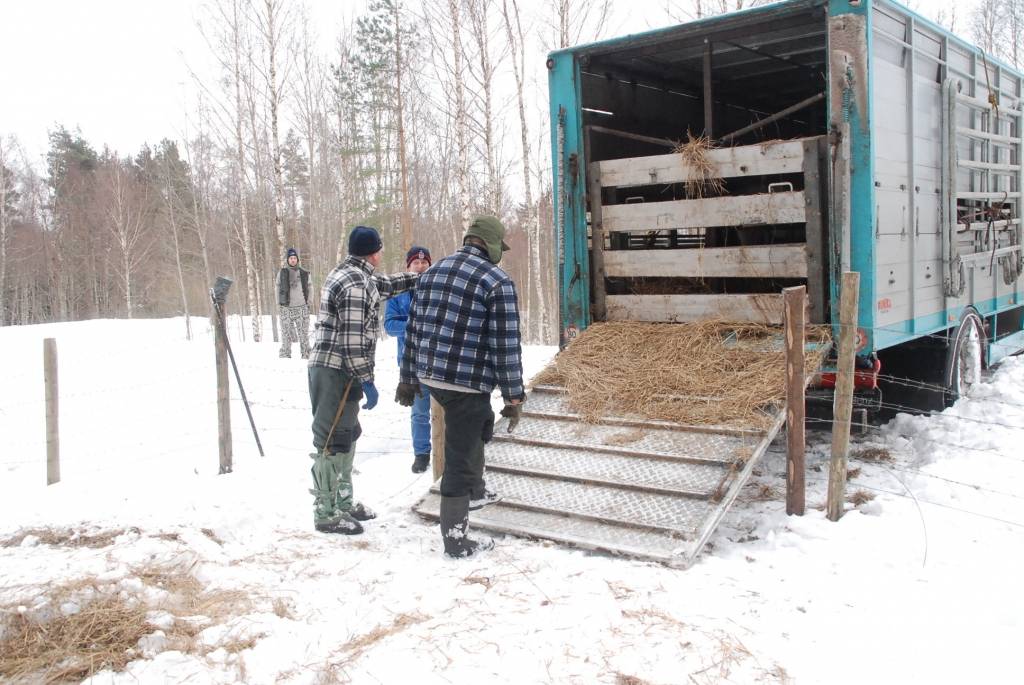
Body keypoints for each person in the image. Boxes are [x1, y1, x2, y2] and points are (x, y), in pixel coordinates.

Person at [397, 216, 525, 558]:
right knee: (459, 456)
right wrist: (514, 396)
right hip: (466, 383)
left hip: (431, 375)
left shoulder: (433, 271)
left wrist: (408, 378)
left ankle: (476, 489)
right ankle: (456, 538)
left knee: (480, 424)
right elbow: (506, 345)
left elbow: (413, 329)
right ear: (492, 244)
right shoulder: (497, 281)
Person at [307, 226, 419, 535]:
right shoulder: (355, 283)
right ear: (373, 252)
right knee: (331, 439)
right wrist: (366, 380)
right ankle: (326, 513)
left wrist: (422, 277)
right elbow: (352, 340)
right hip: (336, 370)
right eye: (381, 249)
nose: (382, 254)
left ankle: (344, 502)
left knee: (348, 434)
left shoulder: (356, 274)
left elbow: (386, 285)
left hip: (344, 369)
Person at [384, 246, 434, 474]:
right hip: (411, 364)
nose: (421, 266)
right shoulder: (397, 293)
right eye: (416, 263)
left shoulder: (438, 289)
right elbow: (390, 325)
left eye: (425, 263)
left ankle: (450, 452)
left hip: (439, 361)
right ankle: (421, 454)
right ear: (408, 266)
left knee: (449, 413)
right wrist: (412, 326)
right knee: (419, 412)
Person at [277, 248, 311, 359]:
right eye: (291, 258)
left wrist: (308, 302)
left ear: (297, 260)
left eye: (294, 258)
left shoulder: (304, 273)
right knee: (285, 334)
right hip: (286, 308)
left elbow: (310, 287)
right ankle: (285, 355)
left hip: (301, 308)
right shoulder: (282, 273)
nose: (292, 260)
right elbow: (277, 287)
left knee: (303, 335)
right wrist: (279, 304)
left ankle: (306, 354)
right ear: (288, 260)